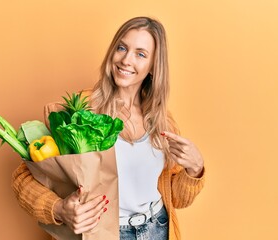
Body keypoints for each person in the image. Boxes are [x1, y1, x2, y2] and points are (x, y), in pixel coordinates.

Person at [12, 16, 205, 240]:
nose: (126, 60)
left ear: (153, 67)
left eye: (140, 54)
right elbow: (23, 178)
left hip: (157, 228)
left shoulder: (162, 120)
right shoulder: (80, 112)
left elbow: (178, 199)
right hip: (104, 233)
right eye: (121, 48)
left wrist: (195, 169)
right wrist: (58, 209)